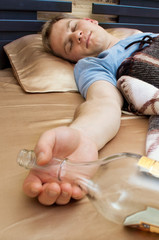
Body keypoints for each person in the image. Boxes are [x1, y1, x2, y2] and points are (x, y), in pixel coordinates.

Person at [23, 14, 159, 206]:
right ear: (72, 60)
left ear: (90, 21)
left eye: (74, 26)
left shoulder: (142, 35)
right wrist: (83, 136)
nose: (76, 36)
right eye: (69, 45)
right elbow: (103, 101)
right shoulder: (93, 65)